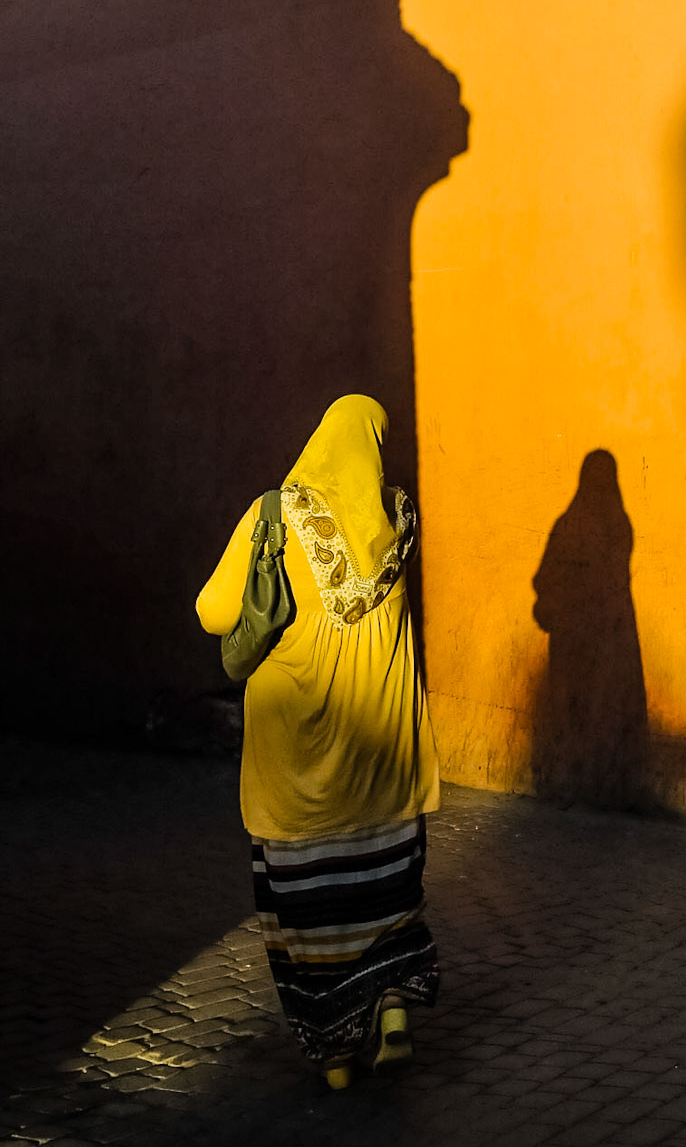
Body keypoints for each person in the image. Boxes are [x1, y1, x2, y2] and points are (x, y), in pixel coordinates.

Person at [196, 395, 440, 1089]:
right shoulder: (398, 515)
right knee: (389, 898)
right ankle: (392, 1008)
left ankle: (335, 1056)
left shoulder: (274, 513)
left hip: (298, 769)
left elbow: (214, 611)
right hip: (385, 762)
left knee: (311, 915)